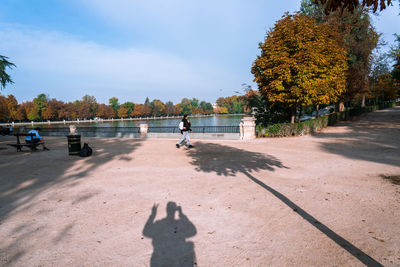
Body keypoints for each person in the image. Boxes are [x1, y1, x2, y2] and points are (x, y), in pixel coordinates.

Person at [143, 202, 197, 266]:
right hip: (176, 256)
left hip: (160, 257)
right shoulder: (179, 223)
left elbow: (146, 232)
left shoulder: (159, 224)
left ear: (166, 210)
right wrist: (181, 214)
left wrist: (152, 215)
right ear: (175, 210)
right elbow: (193, 231)